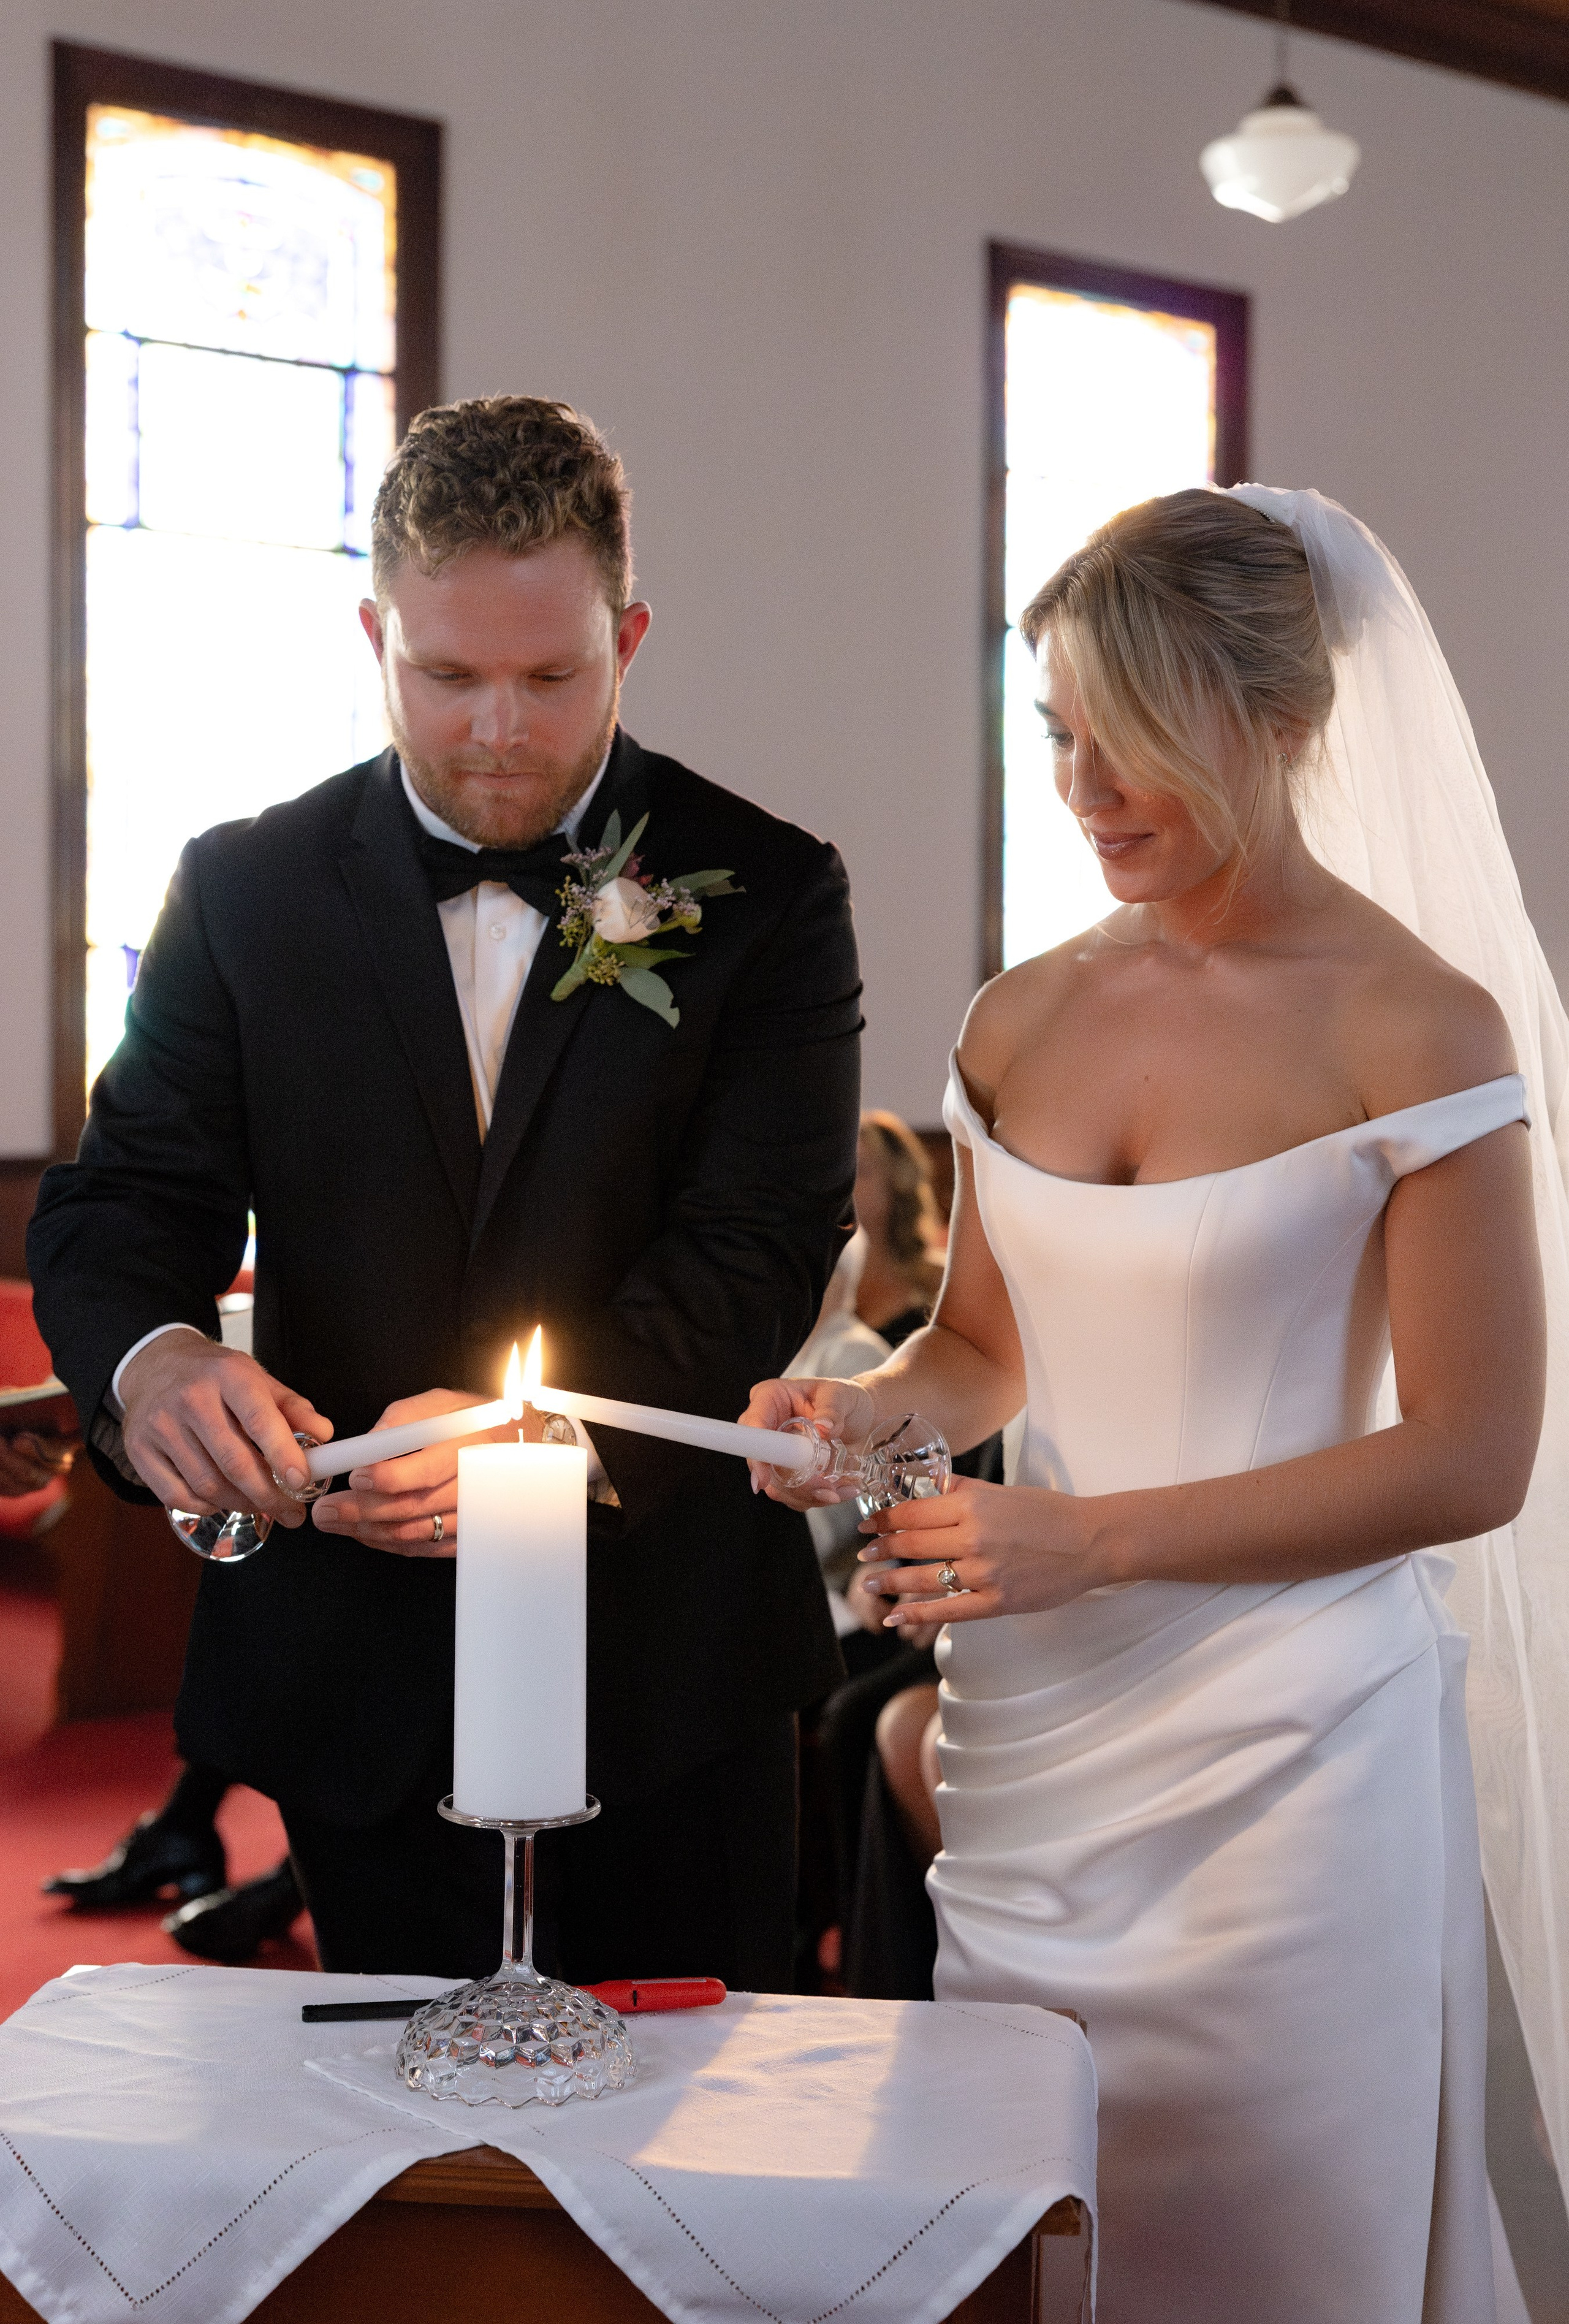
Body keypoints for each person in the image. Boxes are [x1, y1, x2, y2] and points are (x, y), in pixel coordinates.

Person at [745, 487, 1569, 2320]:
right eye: (1057, 729)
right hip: (1036, 1741)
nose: (1089, 784)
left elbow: (1471, 1452)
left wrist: (1087, 1536)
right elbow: (985, 1355)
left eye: (1139, 732)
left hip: (1299, 1749)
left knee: (1278, 2245)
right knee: (1033, 2232)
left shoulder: (1418, 1028)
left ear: (1282, 721)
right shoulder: (1021, 1017)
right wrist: (860, 1419)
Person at [28, 395, 860, 1991]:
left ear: (628, 637)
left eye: (550, 678)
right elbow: (126, 1195)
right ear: (372, 634)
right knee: (411, 2167)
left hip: (664, 1656)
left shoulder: (762, 888)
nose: (496, 727)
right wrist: (158, 1364)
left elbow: (757, 1249)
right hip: (360, 1651)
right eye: (446, 673)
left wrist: (544, 1439)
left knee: (706, 2162)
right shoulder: (244, 888)